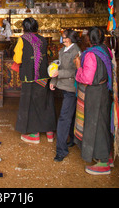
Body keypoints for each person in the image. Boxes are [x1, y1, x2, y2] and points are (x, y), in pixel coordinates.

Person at [74, 26, 113, 175]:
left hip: (94, 92)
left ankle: (102, 162)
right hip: (103, 90)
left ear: (89, 39)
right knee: (102, 122)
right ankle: (107, 156)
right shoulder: (105, 50)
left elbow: (87, 78)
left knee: (93, 124)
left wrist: (78, 66)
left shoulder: (91, 54)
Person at [13, 17, 56, 144]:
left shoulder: (22, 39)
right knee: (45, 101)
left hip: (30, 77)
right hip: (44, 75)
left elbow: (18, 58)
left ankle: (34, 134)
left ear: (24, 28)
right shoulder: (43, 39)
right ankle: (49, 133)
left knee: (30, 103)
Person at [50, 29, 81, 161]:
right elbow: (59, 67)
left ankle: (61, 150)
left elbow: (76, 72)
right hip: (63, 86)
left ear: (70, 38)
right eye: (62, 37)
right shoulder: (62, 51)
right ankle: (72, 138)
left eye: (64, 37)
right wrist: (53, 80)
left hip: (72, 88)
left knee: (64, 118)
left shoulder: (76, 52)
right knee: (71, 114)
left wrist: (59, 75)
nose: (62, 39)